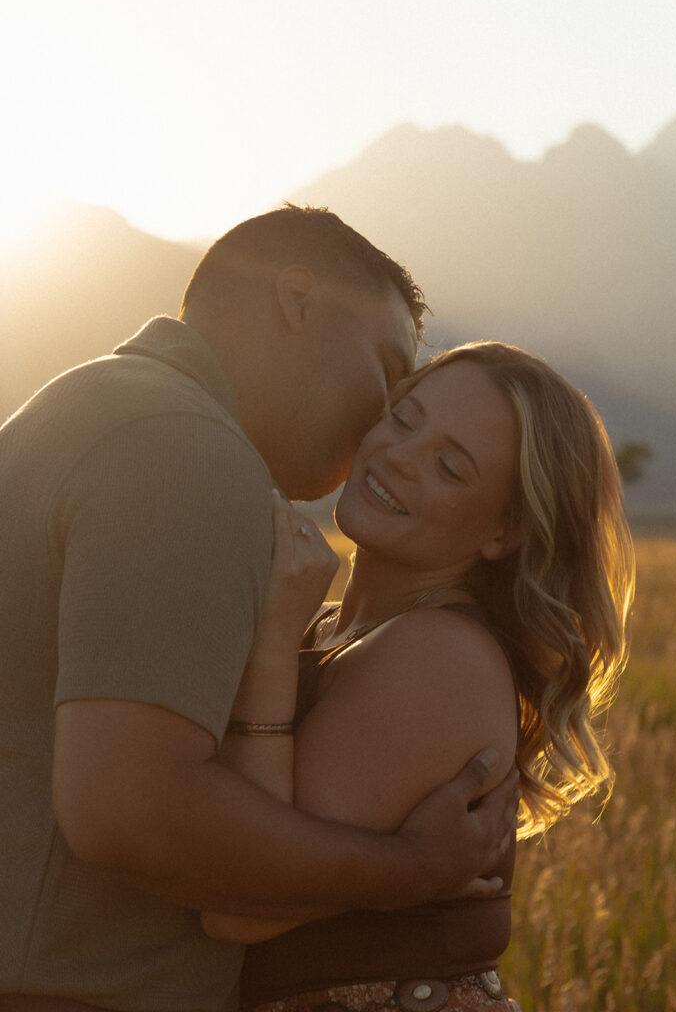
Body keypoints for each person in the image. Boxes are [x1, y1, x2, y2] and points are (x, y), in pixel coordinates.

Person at [0, 206, 519, 1012]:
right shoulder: (188, 451)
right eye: (388, 375)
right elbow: (124, 809)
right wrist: (407, 869)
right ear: (297, 299)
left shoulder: (89, 403)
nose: (377, 422)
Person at [200, 341, 635, 1012]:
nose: (398, 456)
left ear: (503, 532)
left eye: (448, 466)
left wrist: (269, 648)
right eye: (403, 419)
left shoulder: (440, 656)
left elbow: (242, 906)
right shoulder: (330, 626)